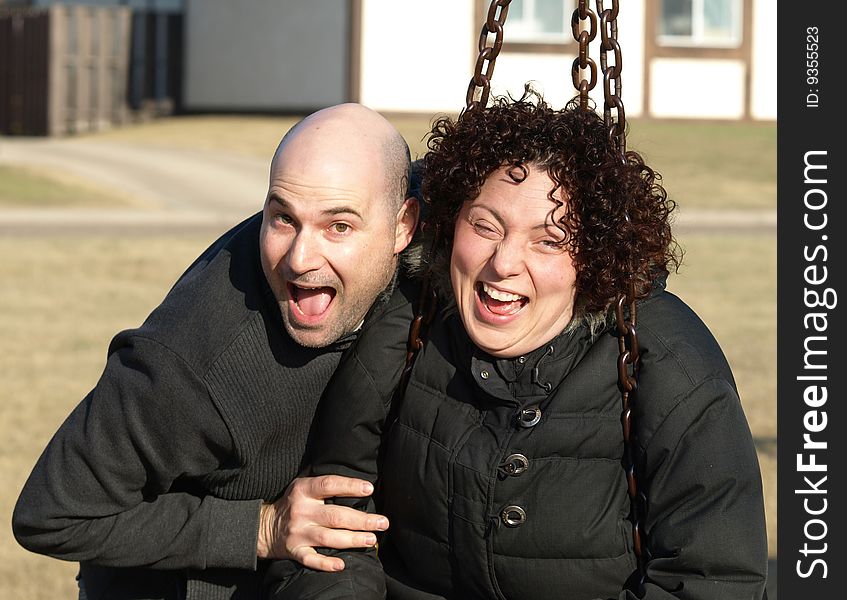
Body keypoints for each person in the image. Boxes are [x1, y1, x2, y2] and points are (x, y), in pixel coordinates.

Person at [266, 89, 769, 600]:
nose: (503, 262)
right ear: (451, 224)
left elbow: (713, 579)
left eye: (548, 240)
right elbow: (333, 532)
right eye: (485, 226)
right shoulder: (406, 327)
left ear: (594, 257)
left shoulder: (668, 363)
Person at [12, 103, 420, 599]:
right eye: (283, 219)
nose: (300, 258)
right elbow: (52, 513)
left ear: (405, 226)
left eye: (339, 227)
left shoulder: (431, 225)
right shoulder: (189, 365)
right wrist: (261, 528)